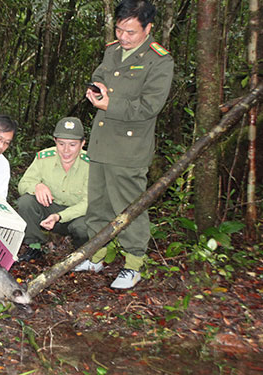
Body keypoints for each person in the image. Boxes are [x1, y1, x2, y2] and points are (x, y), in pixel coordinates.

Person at [77, 0, 174, 289]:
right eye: (120, 30)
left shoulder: (159, 60)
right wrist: (97, 89)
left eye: (131, 32)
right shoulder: (112, 51)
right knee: (98, 205)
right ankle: (97, 255)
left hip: (129, 149)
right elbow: (100, 76)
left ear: (148, 28)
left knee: (129, 208)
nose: (123, 37)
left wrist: (111, 103)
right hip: (101, 142)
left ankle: (133, 265)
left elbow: (150, 105)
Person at [16, 117, 89, 262]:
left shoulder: (91, 165)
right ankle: (34, 246)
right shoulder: (44, 158)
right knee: (25, 202)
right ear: (55, 141)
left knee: (84, 227)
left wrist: (59, 216)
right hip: (49, 211)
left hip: (76, 216)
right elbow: (23, 184)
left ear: (82, 144)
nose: (66, 150)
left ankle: (81, 255)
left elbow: (88, 203)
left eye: (73, 145)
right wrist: (36, 186)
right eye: (61, 144)